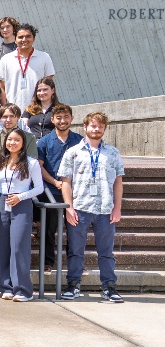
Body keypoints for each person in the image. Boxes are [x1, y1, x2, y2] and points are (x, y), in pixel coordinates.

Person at [60, 112, 125, 303]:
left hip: (105, 209)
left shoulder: (113, 153)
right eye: (93, 126)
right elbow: (65, 182)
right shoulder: (73, 152)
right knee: (75, 250)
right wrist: (68, 208)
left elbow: (118, 183)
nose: (96, 129)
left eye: (100, 127)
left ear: (104, 129)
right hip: (80, 208)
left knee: (106, 252)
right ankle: (73, 285)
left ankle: (109, 287)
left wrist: (117, 208)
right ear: (85, 127)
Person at [0, 129, 44, 301]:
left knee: (19, 248)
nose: (12, 143)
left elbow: (39, 188)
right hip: (3, 203)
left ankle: (23, 290)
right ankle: (6, 287)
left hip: (21, 204)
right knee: (3, 247)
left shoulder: (31, 163)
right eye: (9, 140)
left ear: (23, 143)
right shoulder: (1, 161)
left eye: (16, 140)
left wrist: (20, 197)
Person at [36, 103, 82, 270]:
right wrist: (55, 182)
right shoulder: (44, 142)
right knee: (49, 230)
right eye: (59, 118)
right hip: (52, 191)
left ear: (72, 118)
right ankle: (48, 262)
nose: (63, 121)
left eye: (66, 117)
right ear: (53, 119)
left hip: (75, 193)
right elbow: (38, 167)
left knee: (75, 231)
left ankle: (75, 264)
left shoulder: (79, 141)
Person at [0, 24, 55, 109]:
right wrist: (6, 107)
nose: (24, 40)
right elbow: (0, 86)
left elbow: (49, 84)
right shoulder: (6, 59)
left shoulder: (44, 57)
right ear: (15, 40)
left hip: (39, 109)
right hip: (14, 110)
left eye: (28, 36)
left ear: (33, 39)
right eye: (20, 37)